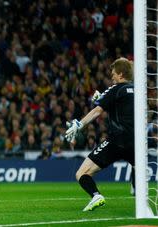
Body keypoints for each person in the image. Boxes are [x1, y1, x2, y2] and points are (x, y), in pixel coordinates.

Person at [65, 57, 134, 211]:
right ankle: (137, 189)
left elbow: (97, 111)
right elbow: (124, 112)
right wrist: (105, 101)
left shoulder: (116, 89)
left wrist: (79, 125)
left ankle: (96, 195)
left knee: (82, 173)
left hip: (117, 141)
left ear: (121, 74)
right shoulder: (137, 91)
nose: (112, 76)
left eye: (114, 74)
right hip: (136, 142)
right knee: (137, 167)